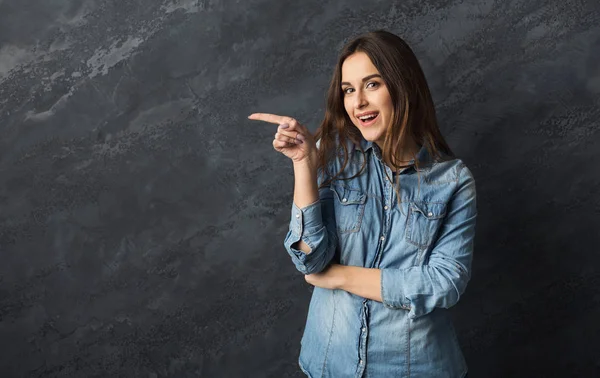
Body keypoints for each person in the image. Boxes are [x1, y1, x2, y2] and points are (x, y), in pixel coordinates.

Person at [248, 30, 476, 378]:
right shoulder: (335, 156)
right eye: (349, 90)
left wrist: (339, 276)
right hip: (329, 363)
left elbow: (443, 283)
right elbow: (310, 258)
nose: (358, 103)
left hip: (414, 368)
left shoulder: (453, 181)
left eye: (372, 84)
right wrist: (303, 164)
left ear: (403, 86)